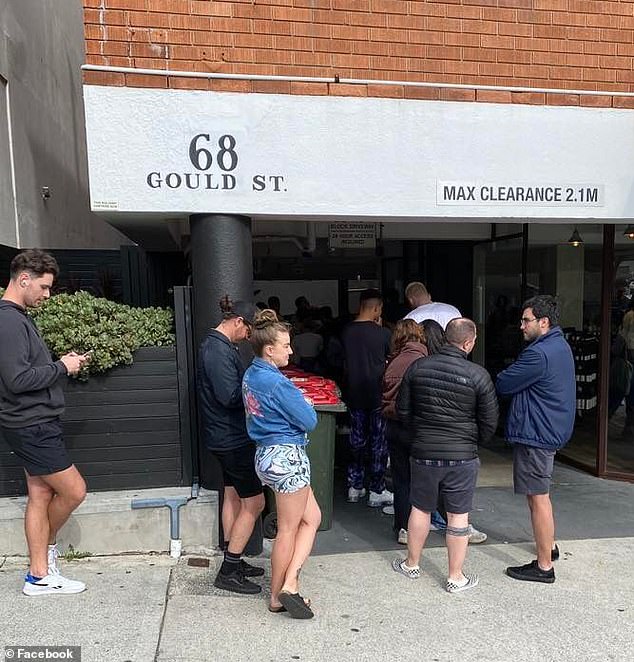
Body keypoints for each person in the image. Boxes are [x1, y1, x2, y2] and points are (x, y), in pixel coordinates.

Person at [0, 249, 89, 596]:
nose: (47, 295)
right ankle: (44, 559)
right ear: (24, 279)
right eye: (45, 287)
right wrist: (62, 367)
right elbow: (17, 379)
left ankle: (39, 574)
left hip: (31, 421)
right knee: (74, 490)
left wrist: (59, 364)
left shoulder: (15, 317)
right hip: (31, 424)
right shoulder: (8, 321)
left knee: (39, 494)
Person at [393, 319, 498, 593]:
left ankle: (411, 564)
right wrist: (470, 442)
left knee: (421, 508)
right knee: (458, 515)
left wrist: (420, 436)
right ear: (468, 342)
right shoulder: (478, 375)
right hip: (462, 456)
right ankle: (455, 576)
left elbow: (403, 411)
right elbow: (489, 423)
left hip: (424, 452)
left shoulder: (418, 367)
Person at [242, 310, 320, 619]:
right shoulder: (278, 382)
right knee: (288, 529)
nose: (291, 350)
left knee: (312, 517)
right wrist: (304, 402)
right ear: (269, 349)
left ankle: (290, 581)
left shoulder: (251, 374)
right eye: (286, 345)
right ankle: (280, 593)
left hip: (265, 456)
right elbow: (310, 420)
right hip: (288, 457)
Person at [496, 295, 575, 584]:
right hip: (547, 429)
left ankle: (544, 567)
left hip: (537, 433)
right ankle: (549, 548)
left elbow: (504, 382)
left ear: (543, 322)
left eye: (526, 320)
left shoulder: (538, 354)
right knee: (538, 495)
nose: (521, 326)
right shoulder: (558, 345)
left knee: (538, 498)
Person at [198, 299, 265, 595]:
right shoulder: (217, 349)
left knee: (232, 496)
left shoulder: (220, 347)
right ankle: (229, 569)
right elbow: (228, 396)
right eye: (248, 331)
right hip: (232, 437)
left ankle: (232, 559)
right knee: (256, 502)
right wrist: (259, 394)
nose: (249, 338)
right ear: (238, 321)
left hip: (224, 436)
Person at [341, 289, 393, 507]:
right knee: (378, 443)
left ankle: (355, 485)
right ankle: (377, 489)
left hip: (353, 394)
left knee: (356, 442)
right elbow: (390, 359)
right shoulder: (383, 334)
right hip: (377, 394)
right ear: (376, 308)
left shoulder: (346, 332)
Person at [381, 319, 428, 544]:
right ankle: (419, 525)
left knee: (401, 480)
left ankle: (402, 526)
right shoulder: (424, 361)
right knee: (420, 480)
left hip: (392, 425)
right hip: (416, 428)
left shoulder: (392, 361)